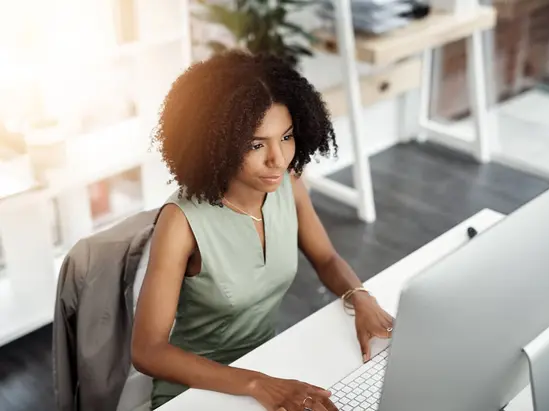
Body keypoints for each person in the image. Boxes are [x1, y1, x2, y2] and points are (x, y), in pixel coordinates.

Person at [131, 50, 394, 411]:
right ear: (217, 144)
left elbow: (326, 257)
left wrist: (359, 297)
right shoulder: (181, 222)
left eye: (285, 137)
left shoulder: (288, 183)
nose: (278, 158)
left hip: (267, 364)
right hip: (197, 390)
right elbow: (148, 351)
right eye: (256, 144)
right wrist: (256, 384)